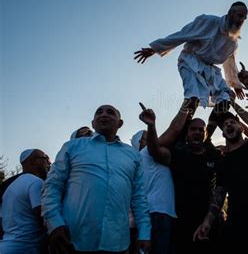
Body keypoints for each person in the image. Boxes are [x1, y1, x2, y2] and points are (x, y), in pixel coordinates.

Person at [193, 64, 248, 254]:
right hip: (237, 230)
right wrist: (207, 222)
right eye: (225, 124)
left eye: (232, 122)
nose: (228, 124)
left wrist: (247, 85)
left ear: (241, 128)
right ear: (223, 132)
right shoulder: (223, 161)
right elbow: (218, 196)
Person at [41, 105, 151, 254]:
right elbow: (52, 186)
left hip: (117, 242)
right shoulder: (72, 147)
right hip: (71, 240)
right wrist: (54, 223)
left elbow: (139, 197)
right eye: (99, 112)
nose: (103, 115)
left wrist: (144, 232)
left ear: (120, 123)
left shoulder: (132, 155)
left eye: (110, 112)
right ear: (93, 123)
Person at [134, 2, 248, 138]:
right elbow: (183, 35)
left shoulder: (233, 42)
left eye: (244, 18)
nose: (242, 20)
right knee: (192, 98)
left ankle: (207, 139)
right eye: (240, 16)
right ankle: (181, 137)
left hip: (209, 68)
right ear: (230, 13)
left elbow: (230, 61)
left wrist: (235, 84)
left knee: (226, 97)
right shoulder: (208, 22)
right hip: (190, 61)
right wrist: (155, 48)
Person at [146, 100, 222, 254]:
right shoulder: (178, 155)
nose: (197, 132)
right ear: (187, 134)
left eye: (201, 130)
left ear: (206, 134)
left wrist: (209, 219)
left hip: (209, 222)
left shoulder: (214, 157)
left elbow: (220, 190)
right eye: (193, 129)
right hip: (180, 223)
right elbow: (154, 150)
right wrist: (151, 126)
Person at [131, 124, 176, 254]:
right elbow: (174, 130)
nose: (152, 138)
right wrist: (188, 105)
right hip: (157, 214)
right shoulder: (146, 152)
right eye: (147, 137)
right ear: (140, 143)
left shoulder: (137, 162)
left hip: (149, 215)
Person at [0, 149, 51, 254]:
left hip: (7, 246)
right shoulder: (35, 182)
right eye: (45, 158)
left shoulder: (11, 187)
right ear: (32, 161)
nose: (49, 162)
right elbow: (43, 214)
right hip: (25, 247)